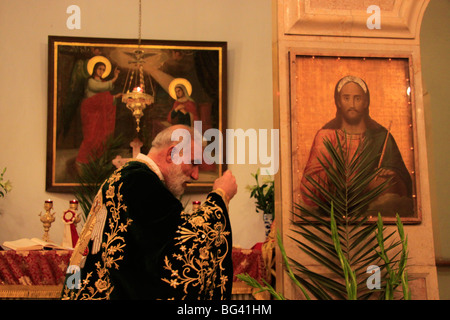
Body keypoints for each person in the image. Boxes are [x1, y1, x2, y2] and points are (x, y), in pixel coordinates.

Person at [61, 125, 237, 299]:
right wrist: (220, 196)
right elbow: (182, 247)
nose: (196, 175)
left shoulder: (126, 177)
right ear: (172, 154)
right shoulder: (140, 182)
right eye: (193, 163)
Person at [300, 75, 413, 217]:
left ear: (366, 102)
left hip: (373, 211)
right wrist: (333, 170)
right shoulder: (326, 136)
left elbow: (403, 180)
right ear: (338, 102)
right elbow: (309, 185)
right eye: (346, 98)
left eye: (357, 98)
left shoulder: (382, 137)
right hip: (334, 209)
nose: (352, 104)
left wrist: (392, 174)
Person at [76, 57, 122, 165]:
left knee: (101, 137)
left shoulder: (103, 82)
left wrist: (115, 97)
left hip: (100, 115)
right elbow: (100, 88)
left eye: (103, 69)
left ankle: (96, 160)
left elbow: (106, 98)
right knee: (91, 137)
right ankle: (82, 160)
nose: (101, 71)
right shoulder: (91, 82)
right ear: (94, 69)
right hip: (91, 113)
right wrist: (115, 77)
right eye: (100, 69)